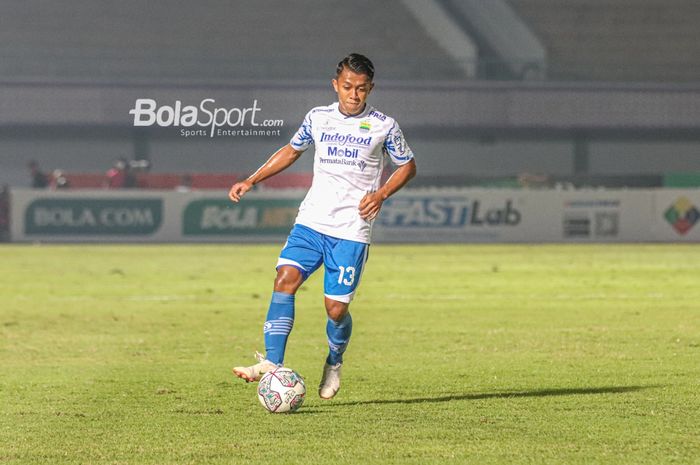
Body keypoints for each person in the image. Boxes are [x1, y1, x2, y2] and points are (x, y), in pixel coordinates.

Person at [229, 53, 417, 399]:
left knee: (335, 310)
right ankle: (272, 362)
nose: (354, 94)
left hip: (351, 229)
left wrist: (383, 192)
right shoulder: (318, 118)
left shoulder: (384, 126)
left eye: (361, 89)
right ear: (336, 85)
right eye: (347, 87)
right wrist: (252, 179)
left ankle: (334, 360)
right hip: (311, 221)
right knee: (284, 278)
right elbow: (291, 150)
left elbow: (407, 165)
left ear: (370, 89)